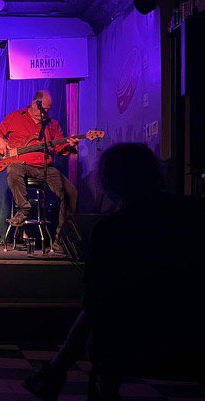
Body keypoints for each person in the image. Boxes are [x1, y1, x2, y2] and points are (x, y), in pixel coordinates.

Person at [23, 143, 205, 400]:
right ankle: (58, 371)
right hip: (193, 337)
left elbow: (94, 302)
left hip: (128, 343)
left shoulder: (111, 229)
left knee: (105, 316)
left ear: (108, 182)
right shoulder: (194, 213)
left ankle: (69, 376)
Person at [0, 90, 78, 232]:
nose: (45, 113)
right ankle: (24, 209)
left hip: (45, 168)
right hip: (23, 165)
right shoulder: (15, 117)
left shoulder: (52, 124)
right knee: (13, 169)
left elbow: (61, 148)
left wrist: (70, 144)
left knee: (71, 193)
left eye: (48, 110)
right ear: (34, 104)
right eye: (43, 109)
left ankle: (62, 238)